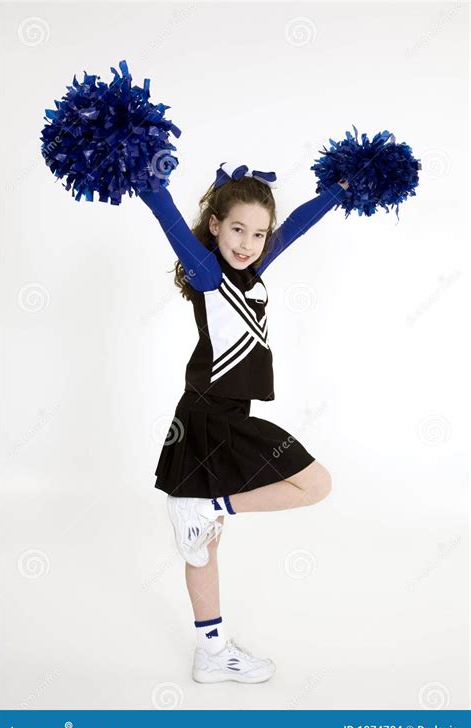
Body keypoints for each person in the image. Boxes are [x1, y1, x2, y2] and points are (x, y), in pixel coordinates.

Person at [139, 161, 348, 683]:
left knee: (202, 542)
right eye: (237, 229)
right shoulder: (209, 276)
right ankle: (209, 503)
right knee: (315, 484)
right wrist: (144, 179)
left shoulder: (254, 271)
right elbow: (167, 222)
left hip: (219, 416)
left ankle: (212, 652)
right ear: (214, 225)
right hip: (212, 418)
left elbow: (296, 224)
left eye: (258, 233)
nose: (249, 242)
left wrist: (341, 189)